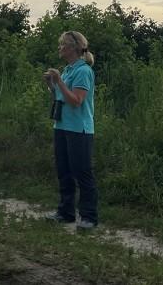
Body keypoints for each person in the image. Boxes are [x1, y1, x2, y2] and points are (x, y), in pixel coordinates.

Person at [44, 31, 97, 230]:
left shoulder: (83, 71)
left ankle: (89, 216)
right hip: (62, 126)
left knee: (82, 172)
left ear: (73, 48)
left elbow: (76, 101)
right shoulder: (67, 70)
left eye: (62, 45)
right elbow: (61, 98)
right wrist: (52, 84)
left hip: (79, 129)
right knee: (64, 171)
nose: (60, 48)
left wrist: (59, 82)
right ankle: (65, 212)